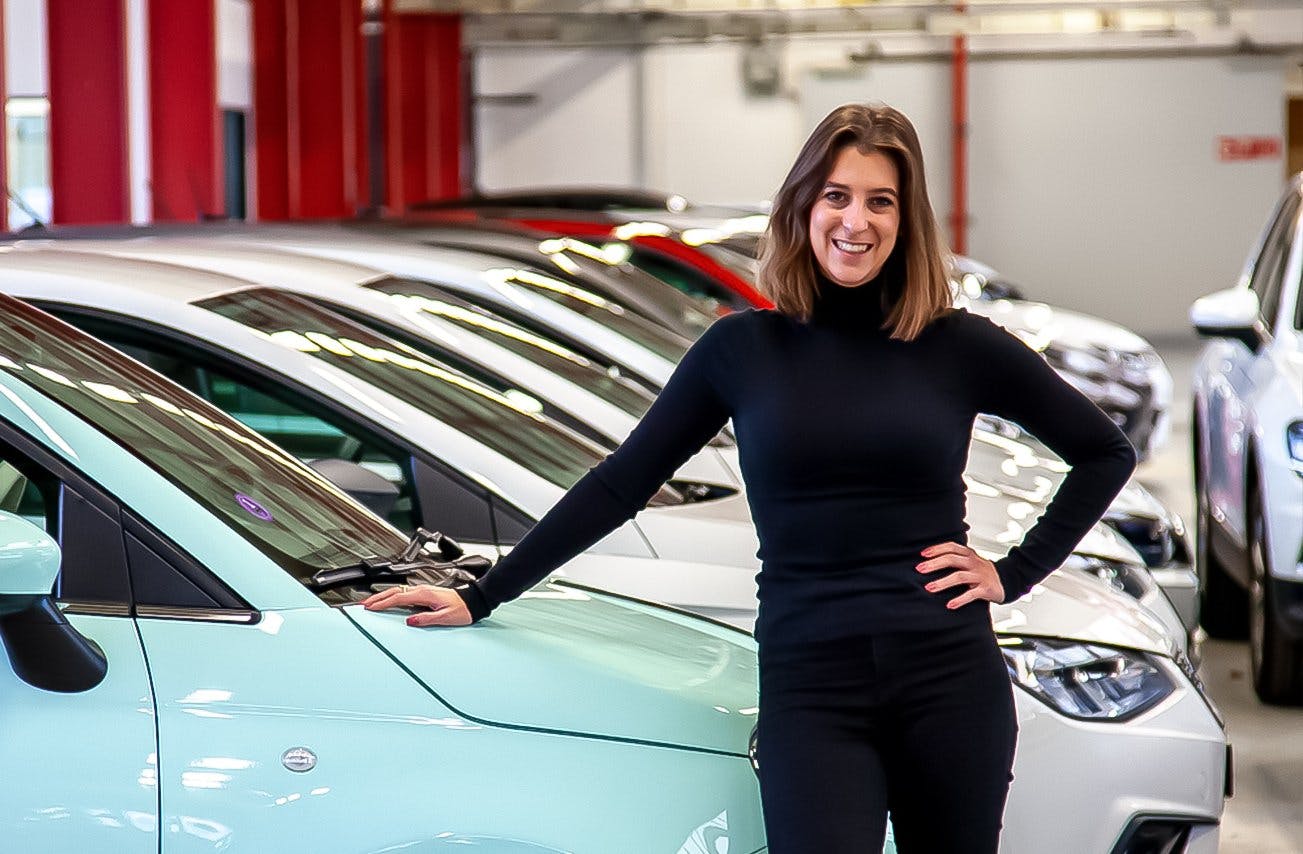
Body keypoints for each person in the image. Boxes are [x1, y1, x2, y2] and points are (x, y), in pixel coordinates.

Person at [362, 102, 1137, 853]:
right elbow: (619, 484)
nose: (855, 221)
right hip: (813, 687)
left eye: (880, 202)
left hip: (948, 681)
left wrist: (1014, 573)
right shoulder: (742, 351)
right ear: (803, 206)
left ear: (906, 222)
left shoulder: (959, 346)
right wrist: (483, 593)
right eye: (836, 196)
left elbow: (1104, 452)